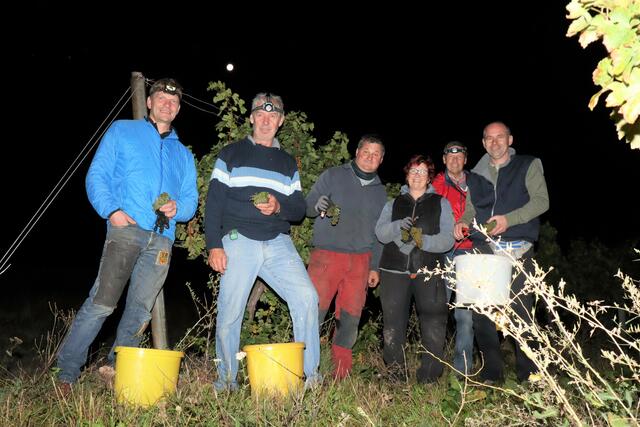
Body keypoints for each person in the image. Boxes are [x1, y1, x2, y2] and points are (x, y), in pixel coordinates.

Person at [56, 78, 199, 390]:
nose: (167, 104)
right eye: (161, 98)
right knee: (103, 303)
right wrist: (111, 211)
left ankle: (115, 369)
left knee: (139, 310)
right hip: (126, 230)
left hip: (161, 238)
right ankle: (66, 374)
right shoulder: (123, 131)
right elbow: (97, 175)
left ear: (178, 110)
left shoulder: (184, 155)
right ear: (149, 102)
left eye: (173, 102)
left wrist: (180, 208)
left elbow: (190, 201)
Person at [204, 92, 320, 390]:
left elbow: (299, 209)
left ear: (280, 122)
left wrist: (278, 205)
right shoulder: (230, 154)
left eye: (273, 116)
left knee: (307, 297)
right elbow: (214, 202)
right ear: (252, 118)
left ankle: (310, 378)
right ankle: (226, 381)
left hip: (278, 241)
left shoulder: (286, 163)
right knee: (230, 311)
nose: (267, 120)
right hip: (237, 238)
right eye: (261, 114)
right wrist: (213, 244)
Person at [453, 121, 549, 383]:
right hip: (485, 250)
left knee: (522, 315)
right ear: (483, 143)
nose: (495, 142)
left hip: (518, 248)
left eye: (500, 137)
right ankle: (492, 374)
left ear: (510, 140)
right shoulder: (476, 175)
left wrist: (510, 219)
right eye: (489, 138)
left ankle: (529, 376)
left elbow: (542, 201)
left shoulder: (528, 164)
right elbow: (472, 209)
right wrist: (462, 221)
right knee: (482, 314)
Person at [306, 135, 387, 379]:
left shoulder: (381, 192)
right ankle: (304, 369)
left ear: (381, 160)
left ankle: (341, 373)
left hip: (361, 261)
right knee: (313, 312)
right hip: (326, 256)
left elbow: (380, 234)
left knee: (350, 317)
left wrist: (375, 266)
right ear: (357, 151)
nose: (370, 157)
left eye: (376, 154)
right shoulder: (333, 175)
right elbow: (307, 206)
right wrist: (316, 204)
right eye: (366, 151)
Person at [375, 155, 454, 383]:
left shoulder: (441, 203)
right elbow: (380, 233)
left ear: (429, 177)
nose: (417, 175)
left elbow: (448, 240)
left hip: (429, 271)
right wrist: (398, 228)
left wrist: (423, 242)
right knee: (392, 326)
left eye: (422, 172)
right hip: (393, 271)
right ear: (407, 175)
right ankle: (395, 376)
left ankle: (429, 378)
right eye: (413, 171)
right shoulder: (393, 203)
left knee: (433, 325)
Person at [431, 141, 475, 375]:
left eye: (460, 156)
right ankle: (433, 367)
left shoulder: (477, 183)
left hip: (470, 253)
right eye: (450, 156)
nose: (455, 160)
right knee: (437, 310)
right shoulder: (435, 185)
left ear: (465, 160)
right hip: (444, 252)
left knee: (465, 314)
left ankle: (463, 370)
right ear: (444, 159)